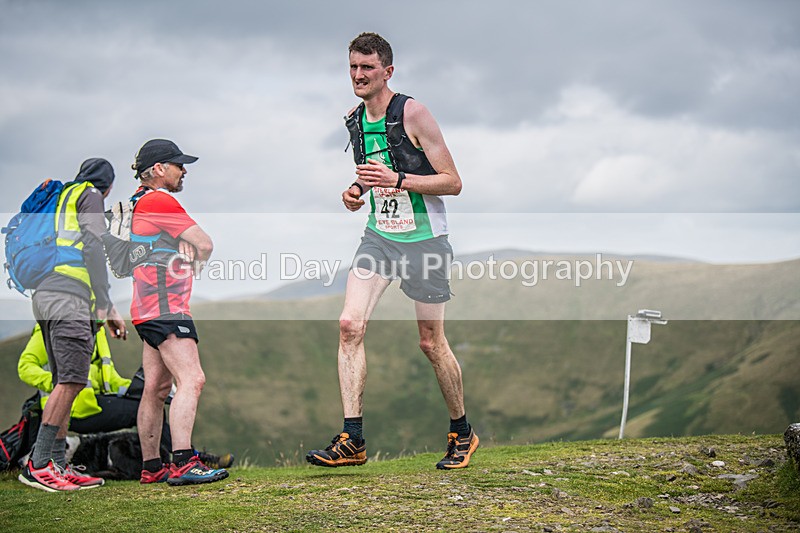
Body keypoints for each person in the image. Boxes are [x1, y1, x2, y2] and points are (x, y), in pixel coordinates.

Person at [306, 33, 478, 470]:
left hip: (425, 240)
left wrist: (397, 181)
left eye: (367, 67)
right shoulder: (354, 119)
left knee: (430, 342)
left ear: (387, 72)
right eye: (352, 67)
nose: (358, 76)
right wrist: (355, 189)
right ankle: (353, 439)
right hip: (379, 237)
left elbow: (452, 181)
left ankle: (462, 431)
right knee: (349, 325)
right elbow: (370, 172)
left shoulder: (414, 113)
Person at [18, 158, 128, 492]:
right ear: (107, 186)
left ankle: (58, 466)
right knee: (71, 380)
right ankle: (38, 465)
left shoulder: (61, 198)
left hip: (46, 294)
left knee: (64, 380)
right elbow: (94, 246)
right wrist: (106, 302)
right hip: (70, 296)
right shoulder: (90, 194)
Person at [129, 139, 228, 485]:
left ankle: (152, 466)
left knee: (155, 388)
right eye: (178, 164)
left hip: (144, 306)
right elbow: (205, 243)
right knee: (193, 379)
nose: (183, 170)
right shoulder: (159, 200)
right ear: (158, 169)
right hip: (167, 305)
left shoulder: (137, 202)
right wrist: (194, 261)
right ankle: (184, 462)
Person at [17, 324, 234, 470]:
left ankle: (180, 458)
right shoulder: (57, 326)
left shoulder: (95, 330)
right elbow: (25, 367)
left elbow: (108, 378)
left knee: (151, 401)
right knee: (139, 411)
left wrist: (140, 388)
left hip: (92, 404)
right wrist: (66, 384)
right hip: (71, 410)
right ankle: (183, 459)